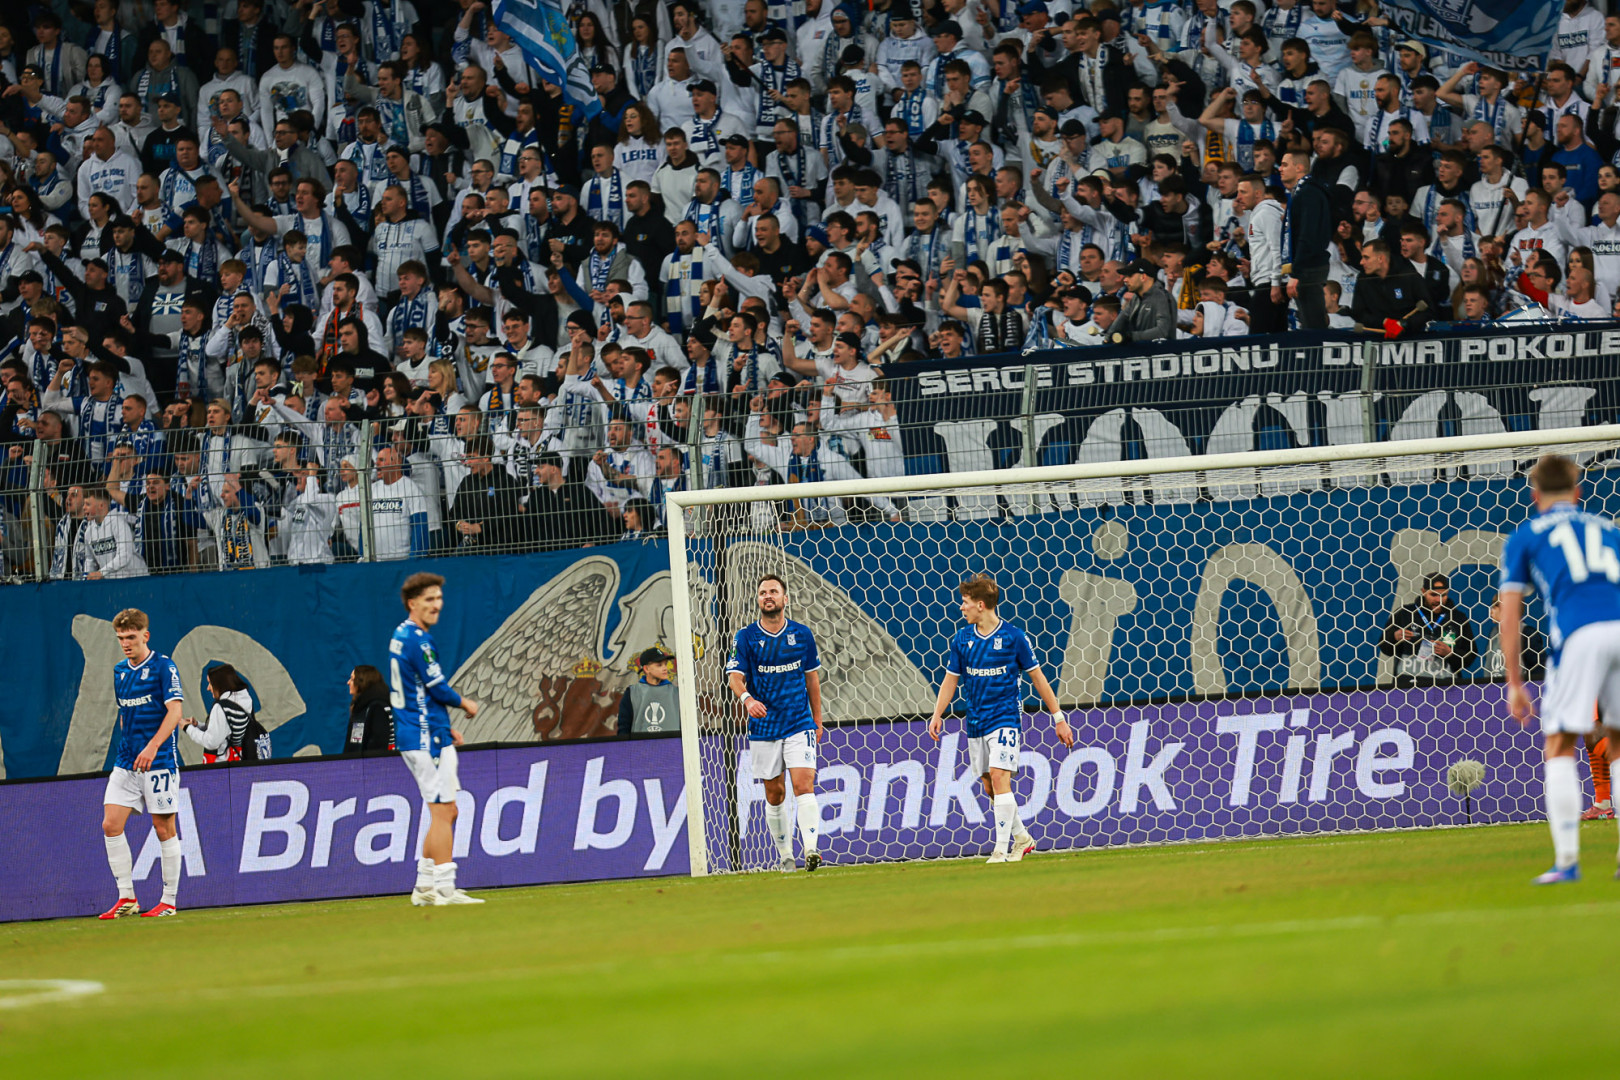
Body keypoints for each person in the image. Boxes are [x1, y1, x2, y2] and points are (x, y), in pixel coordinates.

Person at [1500, 455, 1620, 884]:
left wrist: (1515, 682)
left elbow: (1510, 612)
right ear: (1578, 492)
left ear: (1534, 496)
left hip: (1578, 635)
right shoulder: (1607, 528)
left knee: (1560, 744)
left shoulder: (1526, 535)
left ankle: (1567, 862)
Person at [927, 574, 1074, 863]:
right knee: (988, 784)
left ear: (980, 605)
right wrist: (937, 713)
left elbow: (1038, 678)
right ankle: (1023, 838)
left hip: (1005, 718)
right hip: (976, 721)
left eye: (965, 602)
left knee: (999, 776)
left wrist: (1058, 718)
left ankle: (1000, 849)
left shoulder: (1014, 637)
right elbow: (950, 680)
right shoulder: (962, 639)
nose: (961, 607)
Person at [391, 572, 484, 905]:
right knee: (443, 812)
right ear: (412, 603)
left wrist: (444, 727)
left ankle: (424, 886)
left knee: (449, 810)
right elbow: (437, 688)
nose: (436, 605)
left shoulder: (401, 634)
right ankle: (445, 887)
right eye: (429, 599)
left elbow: (418, 692)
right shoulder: (419, 640)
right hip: (424, 737)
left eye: (439, 598)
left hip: (425, 732)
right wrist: (465, 703)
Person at [725, 573, 825, 872]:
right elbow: (734, 678)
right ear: (758, 600)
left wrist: (817, 720)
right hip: (765, 726)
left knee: (804, 785)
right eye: (762, 592)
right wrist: (748, 700)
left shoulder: (802, 634)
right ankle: (785, 856)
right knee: (775, 793)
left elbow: (812, 679)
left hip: (798, 722)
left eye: (773, 591)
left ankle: (811, 849)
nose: (767, 596)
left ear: (785, 598)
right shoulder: (745, 637)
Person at [99, 607, 186, 919]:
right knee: (110, 825)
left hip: (159, 760)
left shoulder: (164, 666)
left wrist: (152, 746)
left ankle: (169, 901)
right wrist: (129, 747)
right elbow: (125, 713)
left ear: (145, 636)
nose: (125, 643)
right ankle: (127, 898)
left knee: (163, 828)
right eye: (121, 638)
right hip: (127, 761)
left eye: (131, 637)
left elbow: (175, 712)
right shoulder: (120, 671)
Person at [1379, 571, 1476, 683]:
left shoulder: (1458, 618)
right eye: (1433, 595)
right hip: (1408, 686)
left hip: (1446, 688)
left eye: (1443, 595)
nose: (1438, 600)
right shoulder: (1405, 614)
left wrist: (1450, 653)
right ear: (1423, 591)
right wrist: (1394, 637)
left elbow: (1470, 657)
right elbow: (1385, 648)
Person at [181, 663, 268, 762]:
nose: (208, 688)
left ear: (220, 684)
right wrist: (198, 725)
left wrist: (187, 728)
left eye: (210, 683)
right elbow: (226, 729)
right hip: (238, 760)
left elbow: (211, 742)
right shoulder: (245, 699)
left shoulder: (221, 708)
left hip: (222, 766)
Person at [618, 647, 682, 735]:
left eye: (665, 664)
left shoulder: (677, 692)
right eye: (659, 665)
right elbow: (624, 727)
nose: (665, 668)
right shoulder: (632, 693)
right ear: (646, 669)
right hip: (641, 744)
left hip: (672, 744)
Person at [346, 664, 394, 753]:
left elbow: (379, 748)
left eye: (352, 679)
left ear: (362, 682)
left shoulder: (378, 708)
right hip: (356, 761)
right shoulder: (360, 707)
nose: (348, 682)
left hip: (372, 762)